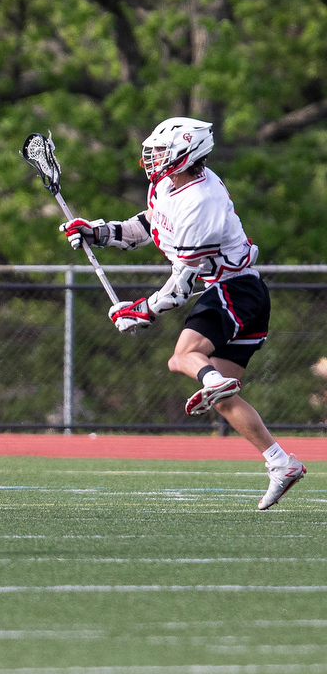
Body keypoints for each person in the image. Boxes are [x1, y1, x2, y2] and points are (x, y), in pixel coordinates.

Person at [61, 117, 305, 510]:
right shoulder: (166, 186)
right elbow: (147, 226)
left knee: (182, 357)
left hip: (235, 290)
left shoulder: (202, 201)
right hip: (239, 292)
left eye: (160, 152)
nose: (152, 159)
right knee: (224, 399)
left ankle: (212, 380)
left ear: (185, 153)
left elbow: (179, 290)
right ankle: (281, 463)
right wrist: (99, 232)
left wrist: (140, 310)